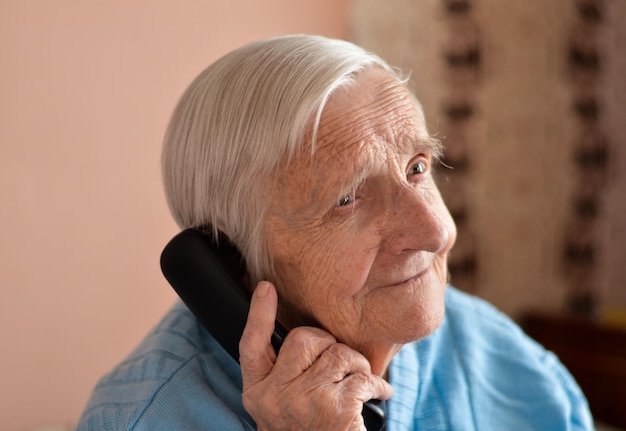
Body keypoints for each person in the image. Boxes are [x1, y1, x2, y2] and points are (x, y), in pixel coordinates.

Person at [77, 35, 593, 430]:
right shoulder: (146, 418)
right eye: (348, 199)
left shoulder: (509, 363)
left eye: (417, 168)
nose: (436, 230)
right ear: (234, 263)